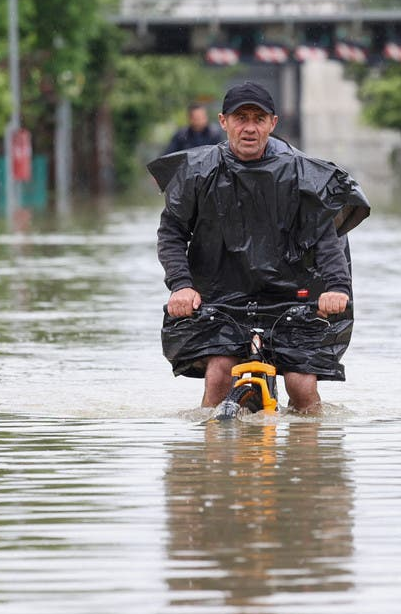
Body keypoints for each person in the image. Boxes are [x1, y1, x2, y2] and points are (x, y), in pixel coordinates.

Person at [149, 81, 370, 414]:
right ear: (223, 122)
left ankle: (310, 458)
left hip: (292, 298)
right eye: (241, 118)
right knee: (219, 374)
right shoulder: (197, 173)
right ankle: (205, 462)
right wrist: (181, 285)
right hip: (221, 299)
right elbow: (172, 233)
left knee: (301, 384)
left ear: (273, 123)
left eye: (258, 118)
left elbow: (326, 238)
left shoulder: (302, 175)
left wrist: (336, 288)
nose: (249, 128)